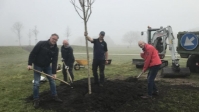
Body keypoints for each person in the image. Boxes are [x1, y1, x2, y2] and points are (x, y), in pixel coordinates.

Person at [27, 33, 62, 108]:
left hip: (47, 66)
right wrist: (29, 64)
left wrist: (54, 73)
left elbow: (54, 61)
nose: (54, 40)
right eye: (53, 38)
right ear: (50, 38)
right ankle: (36, 99)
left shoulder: (56, 49)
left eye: (56, 40)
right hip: (37, 65)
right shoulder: (41, 43)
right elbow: (33, 53)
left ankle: (54, 95)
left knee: (52, 80)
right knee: (36, 83)